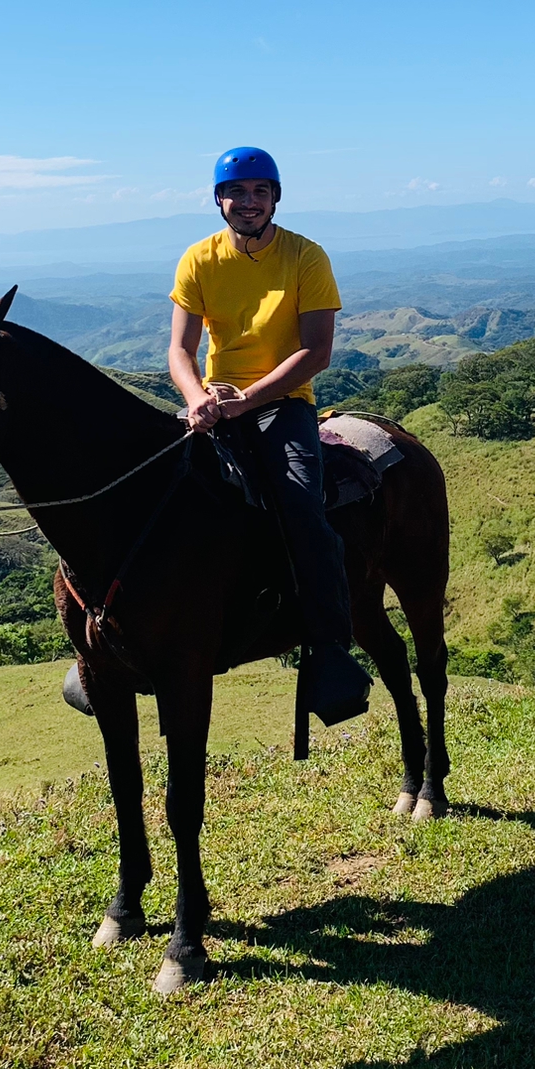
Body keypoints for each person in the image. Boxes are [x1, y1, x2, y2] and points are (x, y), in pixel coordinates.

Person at [168, 145, 372, 725]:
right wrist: (198, 399)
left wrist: (248, 399)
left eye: (260, 191)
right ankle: (109, 641)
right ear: (219, 200)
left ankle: (331, 650)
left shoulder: (306, 256)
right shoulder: (198, 259)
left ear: (275, 199)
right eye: (236, 192)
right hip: (212, 404)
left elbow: (317, 352)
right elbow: (180, 349)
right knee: (151, 494)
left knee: (303, 506)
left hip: (282, 404)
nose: (248, 201)